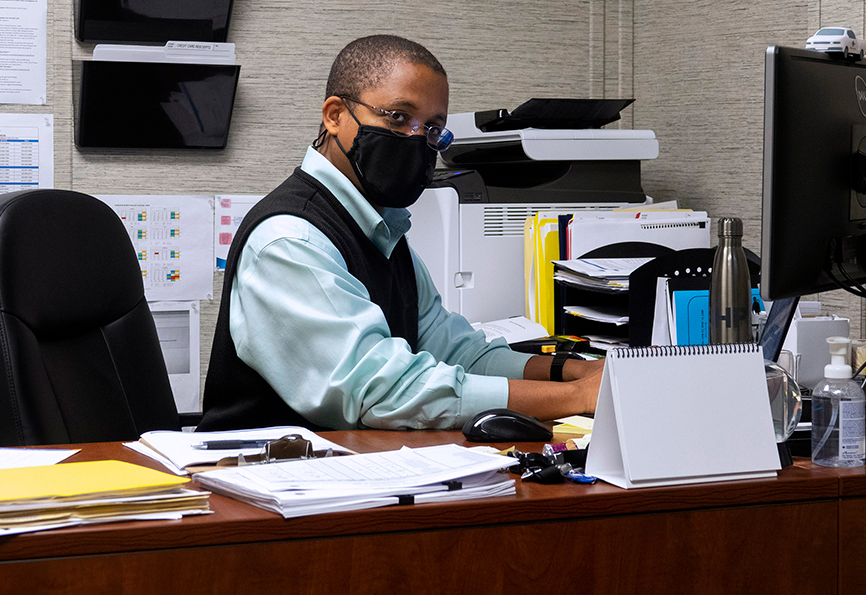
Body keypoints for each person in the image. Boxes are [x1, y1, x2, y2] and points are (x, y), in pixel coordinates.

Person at [198, 35, 603, 431]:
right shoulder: (291, 240)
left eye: (431, 128)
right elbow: (380, 391)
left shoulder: (383, 230)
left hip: (354, 472)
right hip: (267, 483)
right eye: (397, 117)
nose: (414, 138)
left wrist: (575, 371)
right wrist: (577, 398)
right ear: (335, 115)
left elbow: (455, 352)